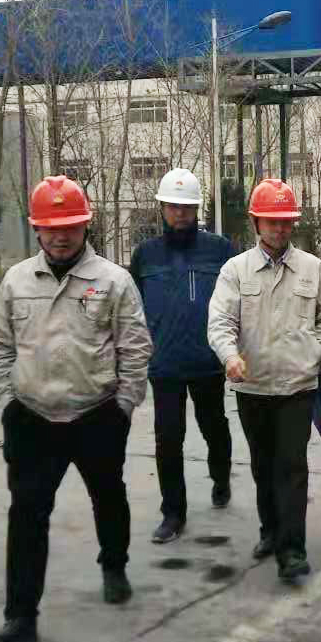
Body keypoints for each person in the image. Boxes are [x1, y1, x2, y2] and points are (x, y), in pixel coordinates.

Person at [0, 176, 153, 642]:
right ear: (37, 229)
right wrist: (9, 402)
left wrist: (123, 407)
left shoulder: (113, 281)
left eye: (70, 227)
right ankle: (20, 618)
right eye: (51, 228)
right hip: (32, 418)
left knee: (108, 496)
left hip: (96, 414)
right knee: (27, 514)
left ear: (85, 226)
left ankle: (114, 564)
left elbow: (135, 348)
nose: (60, 237)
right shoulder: (16, 281)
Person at [208, 179, 321, 583]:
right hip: (253, 387)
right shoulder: (235, 271)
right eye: (272, 222)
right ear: (256, 223)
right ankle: (270, 530)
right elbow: (220, 322)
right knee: (263, 467)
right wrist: (230, 357)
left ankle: (292, 550)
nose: (280, 229)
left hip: (297, 387)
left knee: (292, 466)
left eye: (285, 222)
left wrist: (314, 352)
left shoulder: (312, 268)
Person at [130, 168, 237, 545]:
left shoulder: (220, 250)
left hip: (208, 362)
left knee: (214, 428)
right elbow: (133, 310)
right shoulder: (145, 256)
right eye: (173, 207)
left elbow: (236, 302)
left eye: (187, 207)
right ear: (161, 207)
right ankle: (173, 513)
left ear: (197, 210)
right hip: (165, 366)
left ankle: (221, 477)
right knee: (168, 440)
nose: (180, 213)